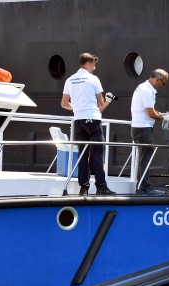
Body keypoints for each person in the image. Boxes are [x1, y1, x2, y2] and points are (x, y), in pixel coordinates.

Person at [61, 52, 116, 196]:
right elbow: (101, 104)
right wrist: (107, 102)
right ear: (87, 64)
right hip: (93, 119)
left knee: (82, 154)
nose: (95, 68)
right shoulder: (93, 79)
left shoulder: (70, 80)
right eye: (93, 65)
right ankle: (101, 187)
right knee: (97, 154)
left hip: (79, 120)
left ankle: (84, 188)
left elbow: (64, 103)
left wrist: (78, 108)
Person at [130, 69, 169, 195]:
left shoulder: (143, 87)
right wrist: (164, 117)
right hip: (143, 128)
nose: (163, 86)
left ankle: (142, 185)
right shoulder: (147, 91)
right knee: (146, 158)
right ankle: (145, 187)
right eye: (163, 83)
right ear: (157, 80)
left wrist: (162, 114)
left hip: (139, 127)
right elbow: (150, 113)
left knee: (144, 157)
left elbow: (148, 111)